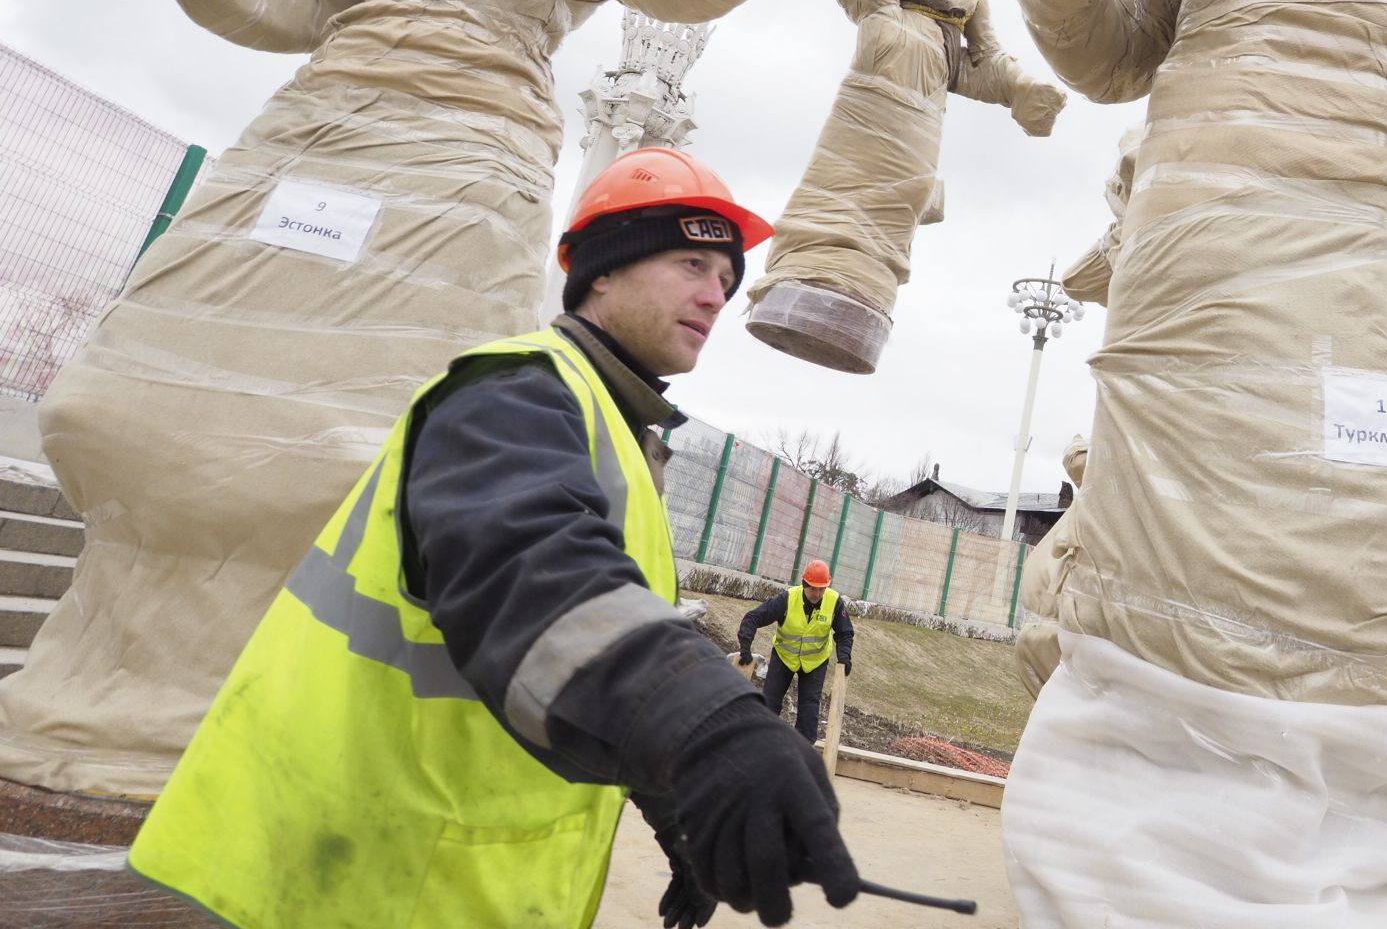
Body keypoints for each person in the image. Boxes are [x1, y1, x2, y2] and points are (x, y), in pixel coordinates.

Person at [126, 148, 859, 929]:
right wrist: (706, 722)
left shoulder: (612, 429)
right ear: (601, 273)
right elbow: (532, 576)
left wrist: (672, 801)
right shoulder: (514, 391)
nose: (716, 296)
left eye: (727, 280)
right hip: (351, 874)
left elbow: (590, 633)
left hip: (451, 870)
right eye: (691, 264)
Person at [738, 559, 855, 743]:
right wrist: (745, 645)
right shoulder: (787, 599)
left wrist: (844, 656)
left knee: (809, 712)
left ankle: (802, 753)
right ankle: (761, 743)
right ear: (804, 584)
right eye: (813, 589)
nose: (817, 593)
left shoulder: (834, 602)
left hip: (815, 662)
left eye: (821, 589)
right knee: (770, 702)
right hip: (784, 657)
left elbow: (845, 632)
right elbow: (753, 617)